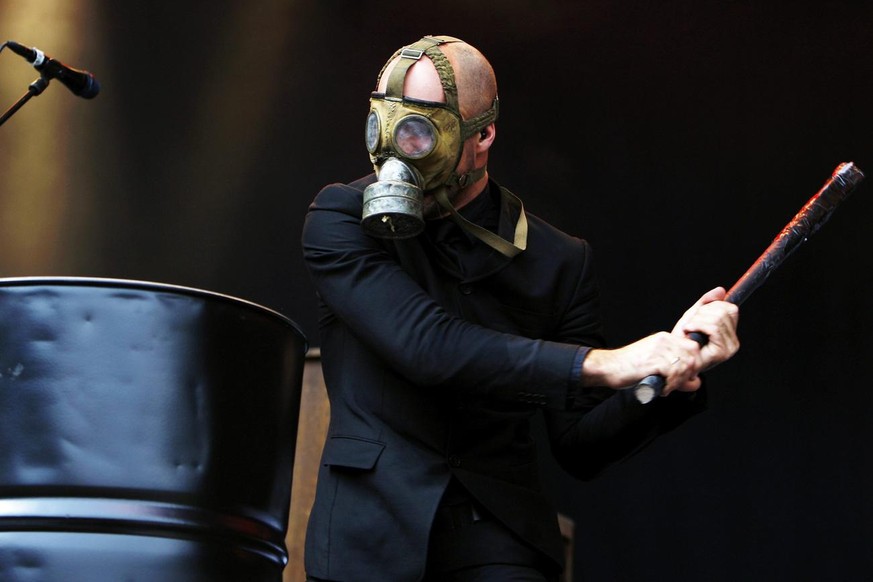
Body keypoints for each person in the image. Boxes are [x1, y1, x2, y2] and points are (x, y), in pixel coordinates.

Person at [301, 35, 739, 582]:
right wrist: (605, 363)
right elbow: (428, 345)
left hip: (500, 542)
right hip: (367, 538)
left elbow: (580, 446)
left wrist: (670, 372)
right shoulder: (341, 217)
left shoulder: (557, 259)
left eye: (421, 129)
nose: (398, 146)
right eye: (387, 123)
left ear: (482, 133)